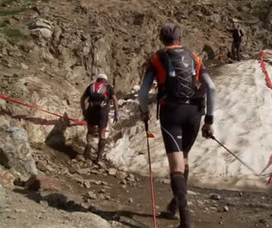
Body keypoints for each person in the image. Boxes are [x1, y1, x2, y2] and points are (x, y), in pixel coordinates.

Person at [138, 23, 215, 228]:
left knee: (176, 167)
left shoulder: (157, 58)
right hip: (195, 113)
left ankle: (186, 219)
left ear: (162, 39)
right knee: (185, 158)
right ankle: (174, 204)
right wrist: (209, 120)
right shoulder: (194, 56)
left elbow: (143, 92)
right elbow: (211, 87)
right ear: (179, 38)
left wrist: (144, 111)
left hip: (171, 113)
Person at [80, 74, 119, 164]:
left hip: (91, 111)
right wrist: (116, 113)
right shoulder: (108, 87)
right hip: (103, 111)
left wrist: (83, 110)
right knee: (102, 133)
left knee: (90, 132)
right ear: (105, 81)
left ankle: (87, 153)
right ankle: (99, 157)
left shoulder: (91, 86)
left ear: (98, 80)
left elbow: (82, 98)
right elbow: (115, 100)